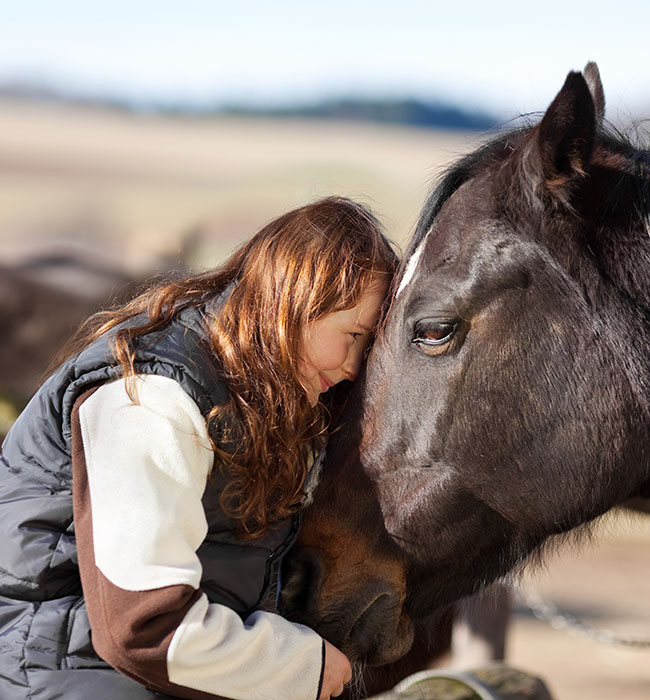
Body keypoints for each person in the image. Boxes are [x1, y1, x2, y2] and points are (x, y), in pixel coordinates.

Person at [0, 196, 398, 700]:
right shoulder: (151, 397)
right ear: (295, 300)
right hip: (64, 677)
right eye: (354, 335)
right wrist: (301, 668)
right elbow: (144, 629)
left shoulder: (253, 402)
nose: (353, 366)